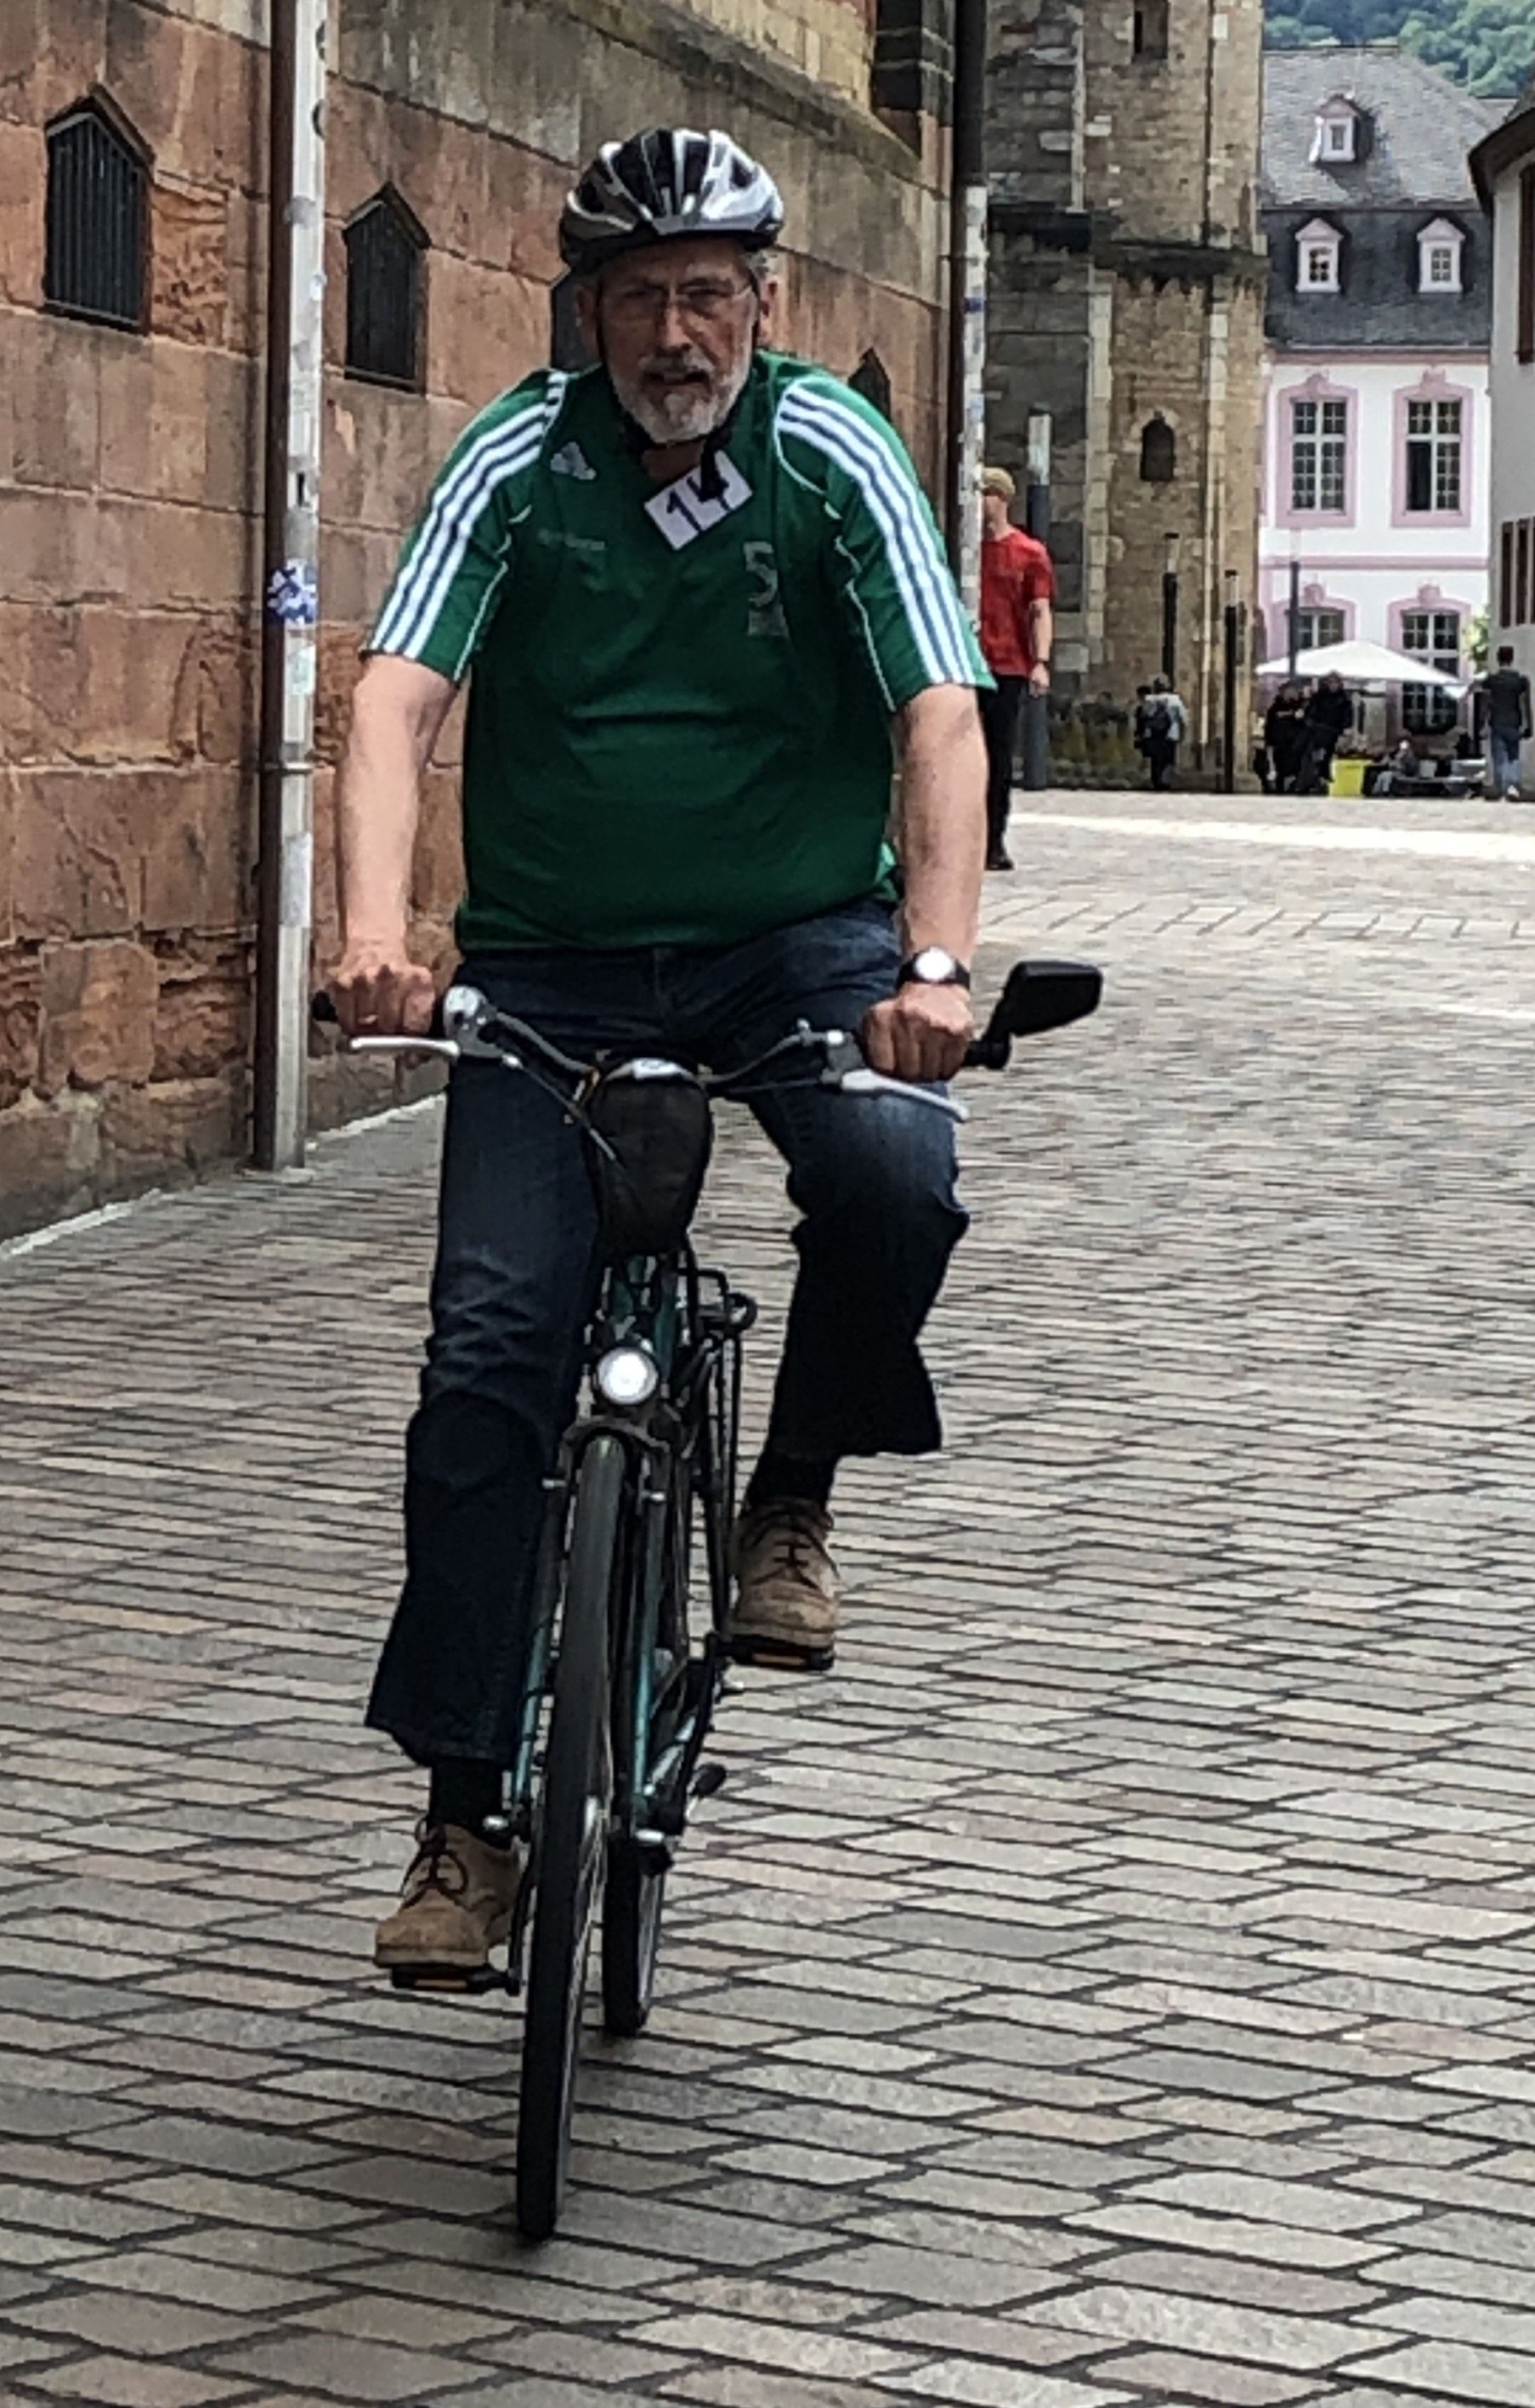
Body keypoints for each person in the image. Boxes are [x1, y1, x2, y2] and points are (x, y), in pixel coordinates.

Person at [328, 126, 991, 1978]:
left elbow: (940, 709)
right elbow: (393, 698)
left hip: (794, 938)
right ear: (590, 313)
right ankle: (468, 1815)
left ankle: (789, 1494)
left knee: (893, 1169)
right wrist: (372, 936)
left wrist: (936, 960)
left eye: (709, 291)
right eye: (640, 296)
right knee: (487, 1352)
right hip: (553, 963)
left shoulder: (835, 454)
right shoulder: (519, 462)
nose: (675, 329)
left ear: (762, 306)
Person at [976, 465, 1053, 871]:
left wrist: (1039, 662)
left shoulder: (1028, 553)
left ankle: (994, 840)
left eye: (986, 494)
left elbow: (1039, 609)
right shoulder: (965, 549)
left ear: (1002, 499)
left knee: (1000, 755)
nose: (980, 502)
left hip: (1007, 665)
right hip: (968, 663)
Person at [1476, 646, 1532, 801]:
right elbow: (1525, 704)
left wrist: (1482, 724)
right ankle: (1512, 785)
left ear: (1498, 658)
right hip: (1515, 723)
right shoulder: (1521, 681)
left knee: (1499, 757)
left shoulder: (1491, 681)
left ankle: (1502, 787)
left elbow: (1485, 704)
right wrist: (1529, 726)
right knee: (1514, 756)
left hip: (1497, 723)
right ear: (1512, 658)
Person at [1301, 672, 1353, 793]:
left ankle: (1323, 777)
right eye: (1331, 682)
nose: (1333, 685)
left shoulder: (1343, 699)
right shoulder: (1319, 697)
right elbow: (1311, 713)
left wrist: (1346, 729)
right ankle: (1314, 779)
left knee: (1328, 755)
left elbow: (1347, 716)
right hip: (1318, 731)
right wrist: (1311, 723)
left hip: (1334, 732)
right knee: (1314, 755)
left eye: (1335, 683)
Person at [1138, 675, 1186, 791]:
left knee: (1156, 759)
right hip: (1171, 734)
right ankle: (1165, 782)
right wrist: (1182, 733)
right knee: (1168, 760)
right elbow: (1183, 718)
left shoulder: (1150, 700)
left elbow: (1144, 717)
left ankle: (1156, 781)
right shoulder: (1175, 700)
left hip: (1154, 735)